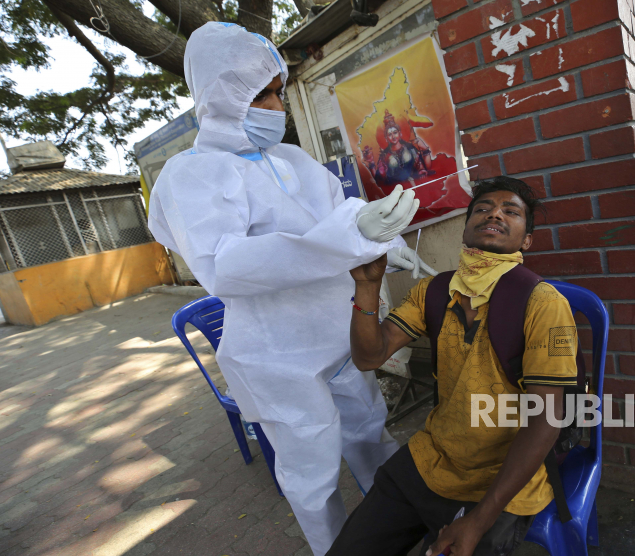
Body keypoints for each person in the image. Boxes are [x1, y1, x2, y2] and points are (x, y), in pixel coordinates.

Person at [148, 22, 437, 555]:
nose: (277, 105)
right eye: (263, 94)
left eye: (280, 91)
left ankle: (401, 531)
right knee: (312, 470)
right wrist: (350, 237)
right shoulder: (192, 175)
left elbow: (337, 217)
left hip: (342, 329)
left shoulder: (294, 161)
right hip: (275, 354)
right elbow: (224, 265)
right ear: (219, 97)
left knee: (372, 434)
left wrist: (382, 238)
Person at [328, 177, 579, 556]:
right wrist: (366, 287)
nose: (494, 212)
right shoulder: (433, 291)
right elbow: (368, 357)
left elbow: (546, 418)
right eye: (482, 208)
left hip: (500, 477)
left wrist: (479, 519)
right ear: (465, 227)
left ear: (526, 240)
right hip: (432, 458)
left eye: (511, 211)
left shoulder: (543, 303)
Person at [363, 109, 434, 190]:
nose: (393, 137)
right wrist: (371, 162)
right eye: (389, 134)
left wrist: (424, 149)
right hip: (398, 190)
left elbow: (423, 166)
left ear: (400, 134)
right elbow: (379, 180)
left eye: (395, 132)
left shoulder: (410, 148)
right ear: (386, 139)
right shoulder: (384, 156)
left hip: (416, 186)